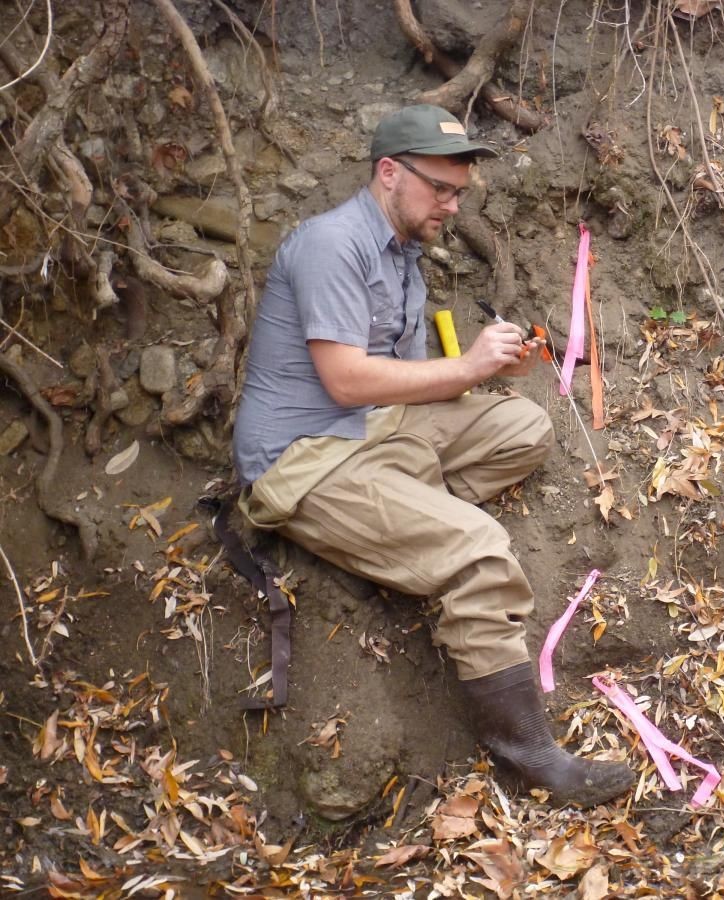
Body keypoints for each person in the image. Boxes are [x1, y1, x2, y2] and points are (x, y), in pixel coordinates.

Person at [231, 104, 633, 807]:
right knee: (479, 549)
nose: (453, 204)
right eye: (441, 189)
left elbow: (405, 382)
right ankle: (526, 750)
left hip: (373, 432)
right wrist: (466, 369)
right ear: (389, 172)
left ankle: (406, 526)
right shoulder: (332, 244)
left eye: (460, 192)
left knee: (523, 428)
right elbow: (347, 379)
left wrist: (493, 369)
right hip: (305, 461)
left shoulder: (405, 253)